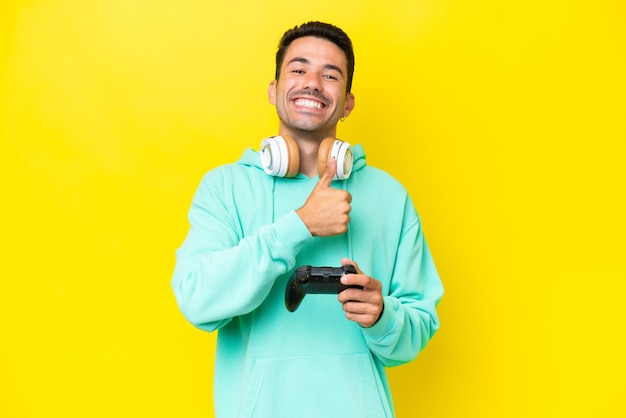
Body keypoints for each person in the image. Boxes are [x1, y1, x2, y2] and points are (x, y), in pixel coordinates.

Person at [171, 21, 444, 418]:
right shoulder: (224, 187)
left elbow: (416, 332)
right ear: (273, 89)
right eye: (298, 69)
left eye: (329, 74)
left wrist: (382, 315)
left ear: (347, 102)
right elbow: (197, 300)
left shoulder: (389, 196)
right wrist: (300, 225)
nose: (312, 83)